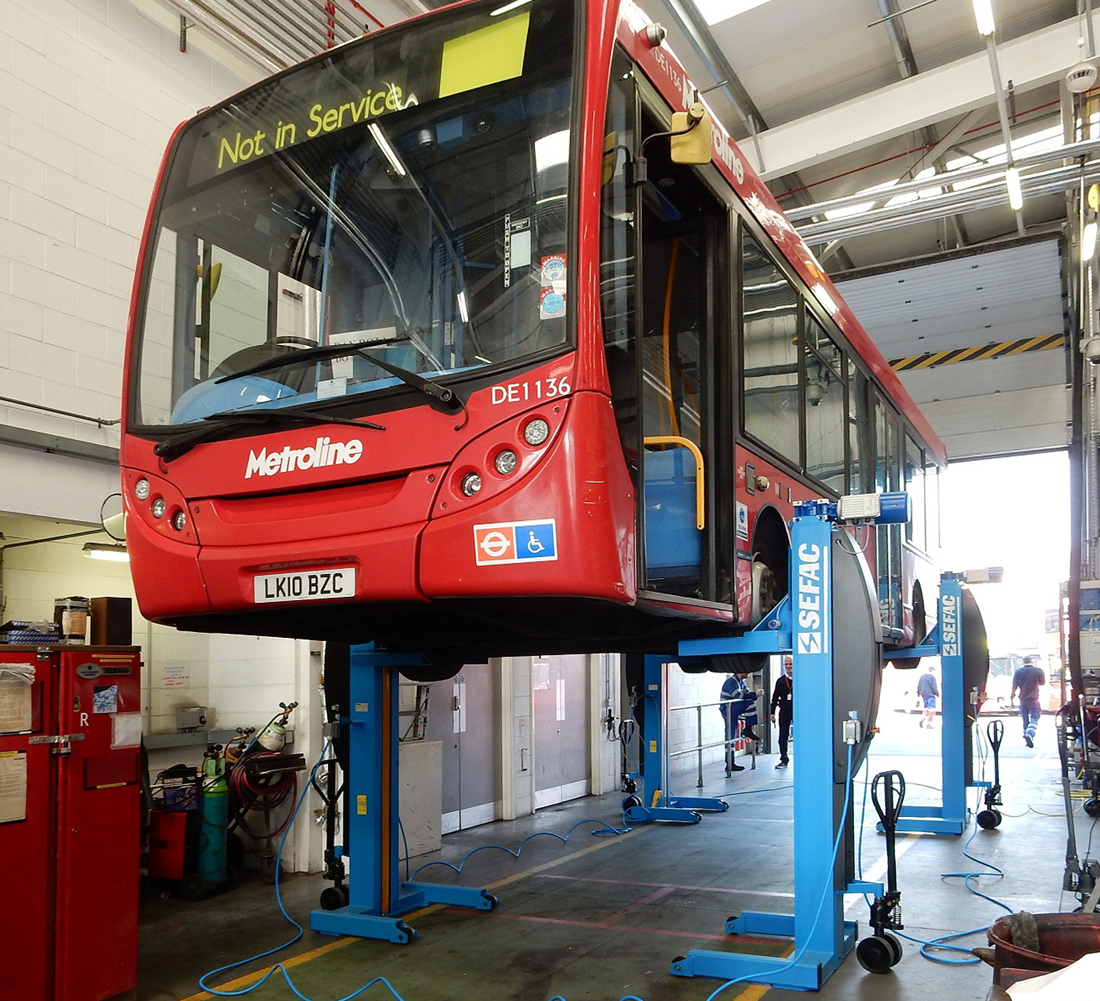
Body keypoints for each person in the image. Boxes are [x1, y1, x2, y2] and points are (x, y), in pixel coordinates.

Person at [721, 671, 759, 773]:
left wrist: (754, 694)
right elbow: (739, 695)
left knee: (731, 736)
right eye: (746, 670)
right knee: (730, 736)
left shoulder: (741, 682)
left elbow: (747, 693)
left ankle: (730, 762)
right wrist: (754, 694)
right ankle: (729, 762)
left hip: (733, 708)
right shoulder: (731, 682)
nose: (748, 673)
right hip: (728, 709)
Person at [1011, 655, 1046, 748]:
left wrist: (1012, 697)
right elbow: (1042, 682)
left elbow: (1014, 686)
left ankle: (1027, 737)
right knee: (1035, 716)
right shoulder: (1038, 671)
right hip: (1033, 699)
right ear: (1032, 661)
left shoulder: (1018, 672)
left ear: (1023, 662)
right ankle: (1030, 733)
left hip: (1022, 699)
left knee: (1025, 719)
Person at [769, 655, 793, 768]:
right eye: (786, 664)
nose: (788, 667)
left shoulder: (800, 679)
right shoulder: (780, 681)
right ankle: (784, 759)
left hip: (798, 712)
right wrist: (772, 712)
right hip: (784, 711)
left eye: (790, 664)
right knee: (782, 736)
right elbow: (774, 698)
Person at [916, 665, 939, 729]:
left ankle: (922, 719)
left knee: (926, 709)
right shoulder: (932, 677)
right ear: (932, 671)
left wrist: (918, 693)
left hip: (924, 696)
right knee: (932, 710)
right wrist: (937, 693)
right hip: (930, 695)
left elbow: (919, 686)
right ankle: (929, 725)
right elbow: (933, 687)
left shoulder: (922, 677)